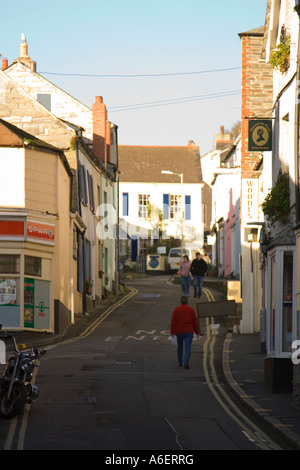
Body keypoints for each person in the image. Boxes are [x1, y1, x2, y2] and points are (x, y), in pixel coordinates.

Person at [170, 295, 200, 369]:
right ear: (187, 302)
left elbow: (173, 321)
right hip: (189, 331)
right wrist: (197, 331)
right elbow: (195, 322)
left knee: (180, 347)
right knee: (188, 347)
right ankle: (186, 363)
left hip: (179, 331)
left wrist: (172, 332)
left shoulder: (177, 309)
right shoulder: (191, 309)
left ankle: (180, 362)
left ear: (180, 301)